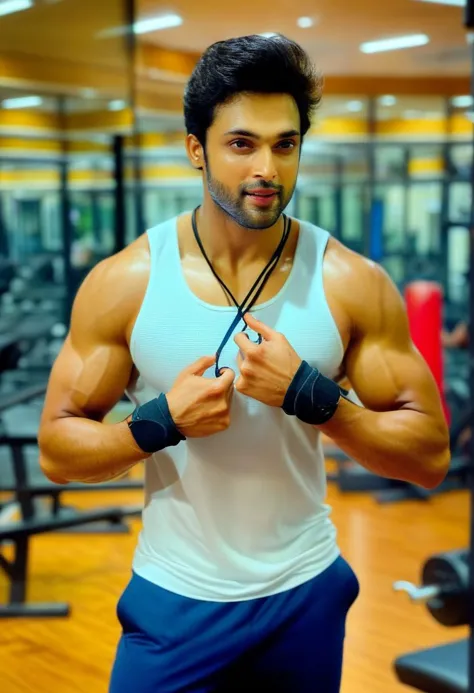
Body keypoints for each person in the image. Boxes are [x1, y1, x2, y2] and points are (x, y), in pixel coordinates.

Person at [38, 34, 450, 693]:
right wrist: (157, 423)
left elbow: (429, 454)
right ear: (195, 147)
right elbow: (58, 449)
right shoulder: (128, 281)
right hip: (176, 597)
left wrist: (314, 397)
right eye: (241, 143)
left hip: (303, 593)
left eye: (285, 144)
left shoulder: (349, 281)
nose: (267, 167)